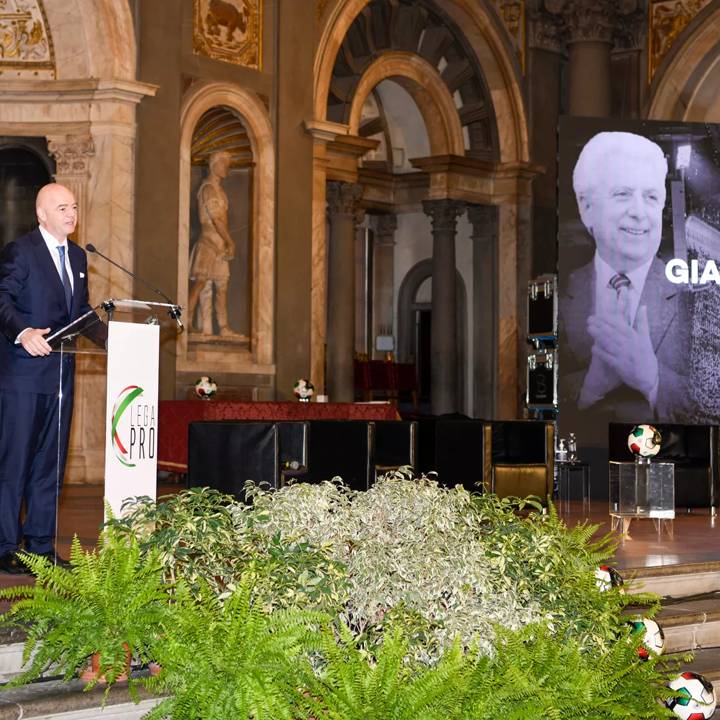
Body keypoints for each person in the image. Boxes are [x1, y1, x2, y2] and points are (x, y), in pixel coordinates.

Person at [0, 183, 107, 573]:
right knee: (15, 463)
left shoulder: (78, 256)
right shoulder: (21, 251)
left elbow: (79, 313)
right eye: (62, 208)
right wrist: (23, 331)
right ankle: (6, 546)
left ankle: (42, 546)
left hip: (61, 373)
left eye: (74, 207)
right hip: (22, 376)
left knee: (50, 463)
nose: (71, 214)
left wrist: (118, 340)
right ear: (42, 214)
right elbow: (2, 298)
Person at [559, 131, 690, 424]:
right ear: (586, 207)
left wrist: (651, 377)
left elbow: (711, 396)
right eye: (622, 194)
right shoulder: (558, 292)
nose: (640, 213)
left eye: (651, 196)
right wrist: (590, 386)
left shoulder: (695, 298)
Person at [187, 150, 241, 338]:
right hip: (209, 243)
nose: (226, 167)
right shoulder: (208, 189)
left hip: (219, 245)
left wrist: (225, 243)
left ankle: (221, 326)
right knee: (202, 284)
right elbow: (217, 220)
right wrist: (230, 242)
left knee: (221, 287)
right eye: (224, 163)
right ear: (214, 165)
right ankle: (189, 321)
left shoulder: (220, 191)